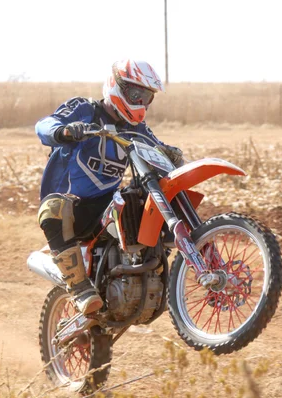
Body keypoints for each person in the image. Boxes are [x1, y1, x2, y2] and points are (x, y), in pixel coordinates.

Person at [35, 59, 183, 315]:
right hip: (73, 206)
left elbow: (155, 147)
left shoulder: (136, 127)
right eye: (136, 94)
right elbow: (44, 125)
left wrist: (168, 153)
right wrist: (65, 131)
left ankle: (159, 266)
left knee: (149, 193)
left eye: (147, 97)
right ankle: (80, 288)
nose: (141, 101)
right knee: (54, 209)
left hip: (106, 207)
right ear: (118, 85)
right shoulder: (85, 109)